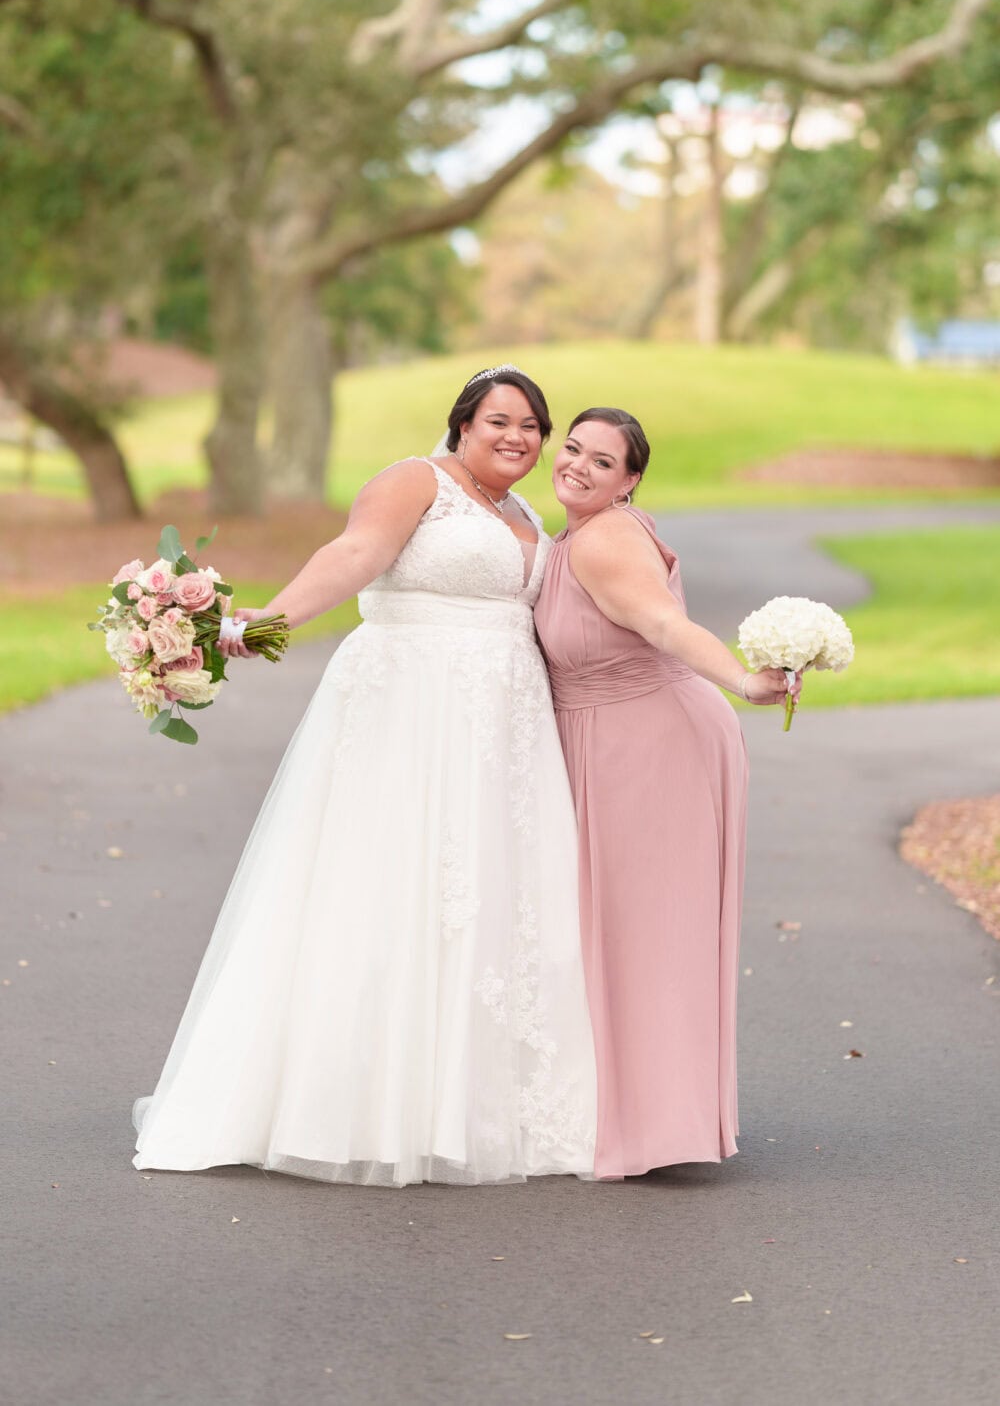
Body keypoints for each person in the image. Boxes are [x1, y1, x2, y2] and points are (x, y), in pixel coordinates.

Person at [133, 367, 597, 1187]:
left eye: (532, 425)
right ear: (461, 424)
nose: (517, 437)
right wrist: (262, 624)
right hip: (412, 712)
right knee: (390, 887)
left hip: (504, 730)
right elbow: (353, 554)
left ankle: (480, 1108)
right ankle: (359, 1104)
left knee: (490, 901)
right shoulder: (415, 482)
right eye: (499, 420)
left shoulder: (524, 514)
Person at [533, 407, 799, 1180]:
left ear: (631, 480)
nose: (578, 466)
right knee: (622, 931)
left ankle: (657, 1126)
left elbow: (661, 622)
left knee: (647, 934)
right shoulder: (578, 535)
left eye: (602, 461)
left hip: (648, 744)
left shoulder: (609, 538)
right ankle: (640, 1111)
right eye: (572, 449)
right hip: (619, 738)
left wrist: (747, 680)